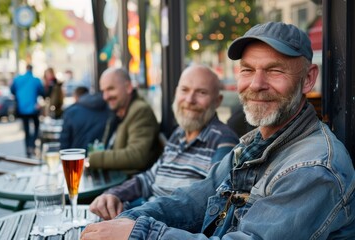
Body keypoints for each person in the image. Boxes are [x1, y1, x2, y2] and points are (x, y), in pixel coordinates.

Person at [81, 22, 355, 240]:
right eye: (247, 70)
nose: (257, 84)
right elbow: (195, 198)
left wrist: (140, 233)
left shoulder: (314, 168)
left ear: (308, 79)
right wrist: (130, 219)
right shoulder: (256, 144)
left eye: (274, 71)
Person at [89, 64, 239, 220]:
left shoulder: (224, 141)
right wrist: (113, 194)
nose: (189, 99)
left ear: (218, 101)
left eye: (201, 92)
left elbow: (209, 205)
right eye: (184, 90)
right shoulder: (179, 133)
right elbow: (149, 179)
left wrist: (133, 217)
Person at [88, 68, 160, 174]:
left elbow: (136, 156)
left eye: (111, 89)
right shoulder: (118, 112)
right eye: (103, 91)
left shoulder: (140, 110)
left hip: (129, 184)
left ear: (128, 87)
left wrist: (92, 159)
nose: (105, 96)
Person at [59, 86, 110, 151]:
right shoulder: (108, 109)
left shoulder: (71, 112)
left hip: (77, 158)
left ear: (76, 97)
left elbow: (64, 143)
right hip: (102, 157)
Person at [11, 64, 45, 157]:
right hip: (33, 108)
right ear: (32, 70)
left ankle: (28, 149)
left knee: (26, 129)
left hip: (22, 109)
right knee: (36, 126)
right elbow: (42, 92)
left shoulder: (17, 79)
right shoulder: (36, 80)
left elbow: (12, 90)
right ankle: (32, 144)